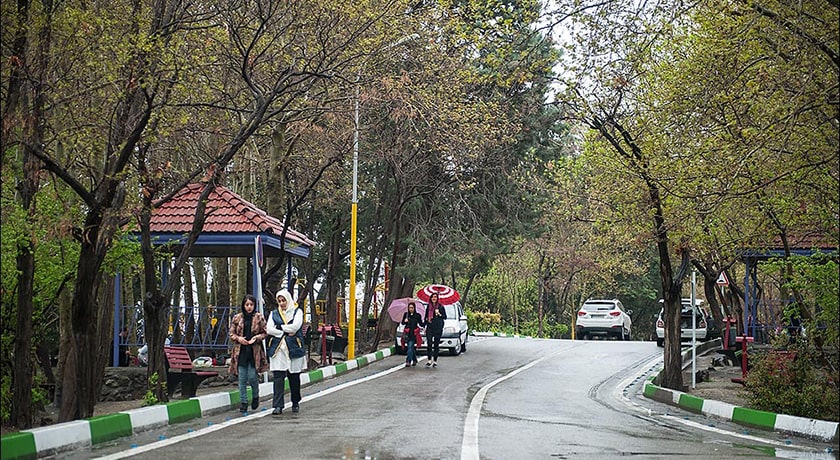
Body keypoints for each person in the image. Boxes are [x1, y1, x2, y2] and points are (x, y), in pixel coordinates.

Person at [266, 289, 307, 415]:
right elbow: (269, 329)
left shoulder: (297, 312)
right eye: (279, 301)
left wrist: (278, 328)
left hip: (293, 347)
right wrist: (284, 331)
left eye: (283, 300)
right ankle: (278, 406)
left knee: (294, 377)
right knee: (278, 377)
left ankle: (295, 402)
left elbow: (296, 326)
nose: (282, 303)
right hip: (278, 349)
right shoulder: (273, 314)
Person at [228, 294, 268, 413]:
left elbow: (265, 332)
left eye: (251, 304)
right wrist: (238, 339)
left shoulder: (259, 317)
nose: (249, 307)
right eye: (247, 305)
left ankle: (255, 396)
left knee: (252, 377)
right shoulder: (237, 318)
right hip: (240, 351)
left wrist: (256, 338)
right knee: (242, 378)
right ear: (243, 305)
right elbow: (231, 334)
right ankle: (244, 402)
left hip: (254, 351)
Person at [424, 292, 446, 367]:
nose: (434, 298)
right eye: (433, 297)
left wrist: (439, 314)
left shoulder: (440, 307)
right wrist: (426, 322)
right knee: (429, 343)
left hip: (438, 327)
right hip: (430, 327)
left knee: (436, 344)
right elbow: (425, 316)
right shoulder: (428, 306)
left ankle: (435, 360)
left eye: (435, 297)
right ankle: (429, 360)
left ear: (437, 299)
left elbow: (444, 317)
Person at [401, 301, 424, 367]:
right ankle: (414, 359)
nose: (411, 309)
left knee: (410, 347)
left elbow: (421, 323)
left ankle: (408, 361)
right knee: (410, 347)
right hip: (407, 333)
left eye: (412, 308)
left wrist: (426, 323)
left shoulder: (417, 315)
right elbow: (402, 323)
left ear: (414, 308)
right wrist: (405, 321)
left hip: (414, 333)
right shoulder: (406, 314)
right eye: (409, 308)